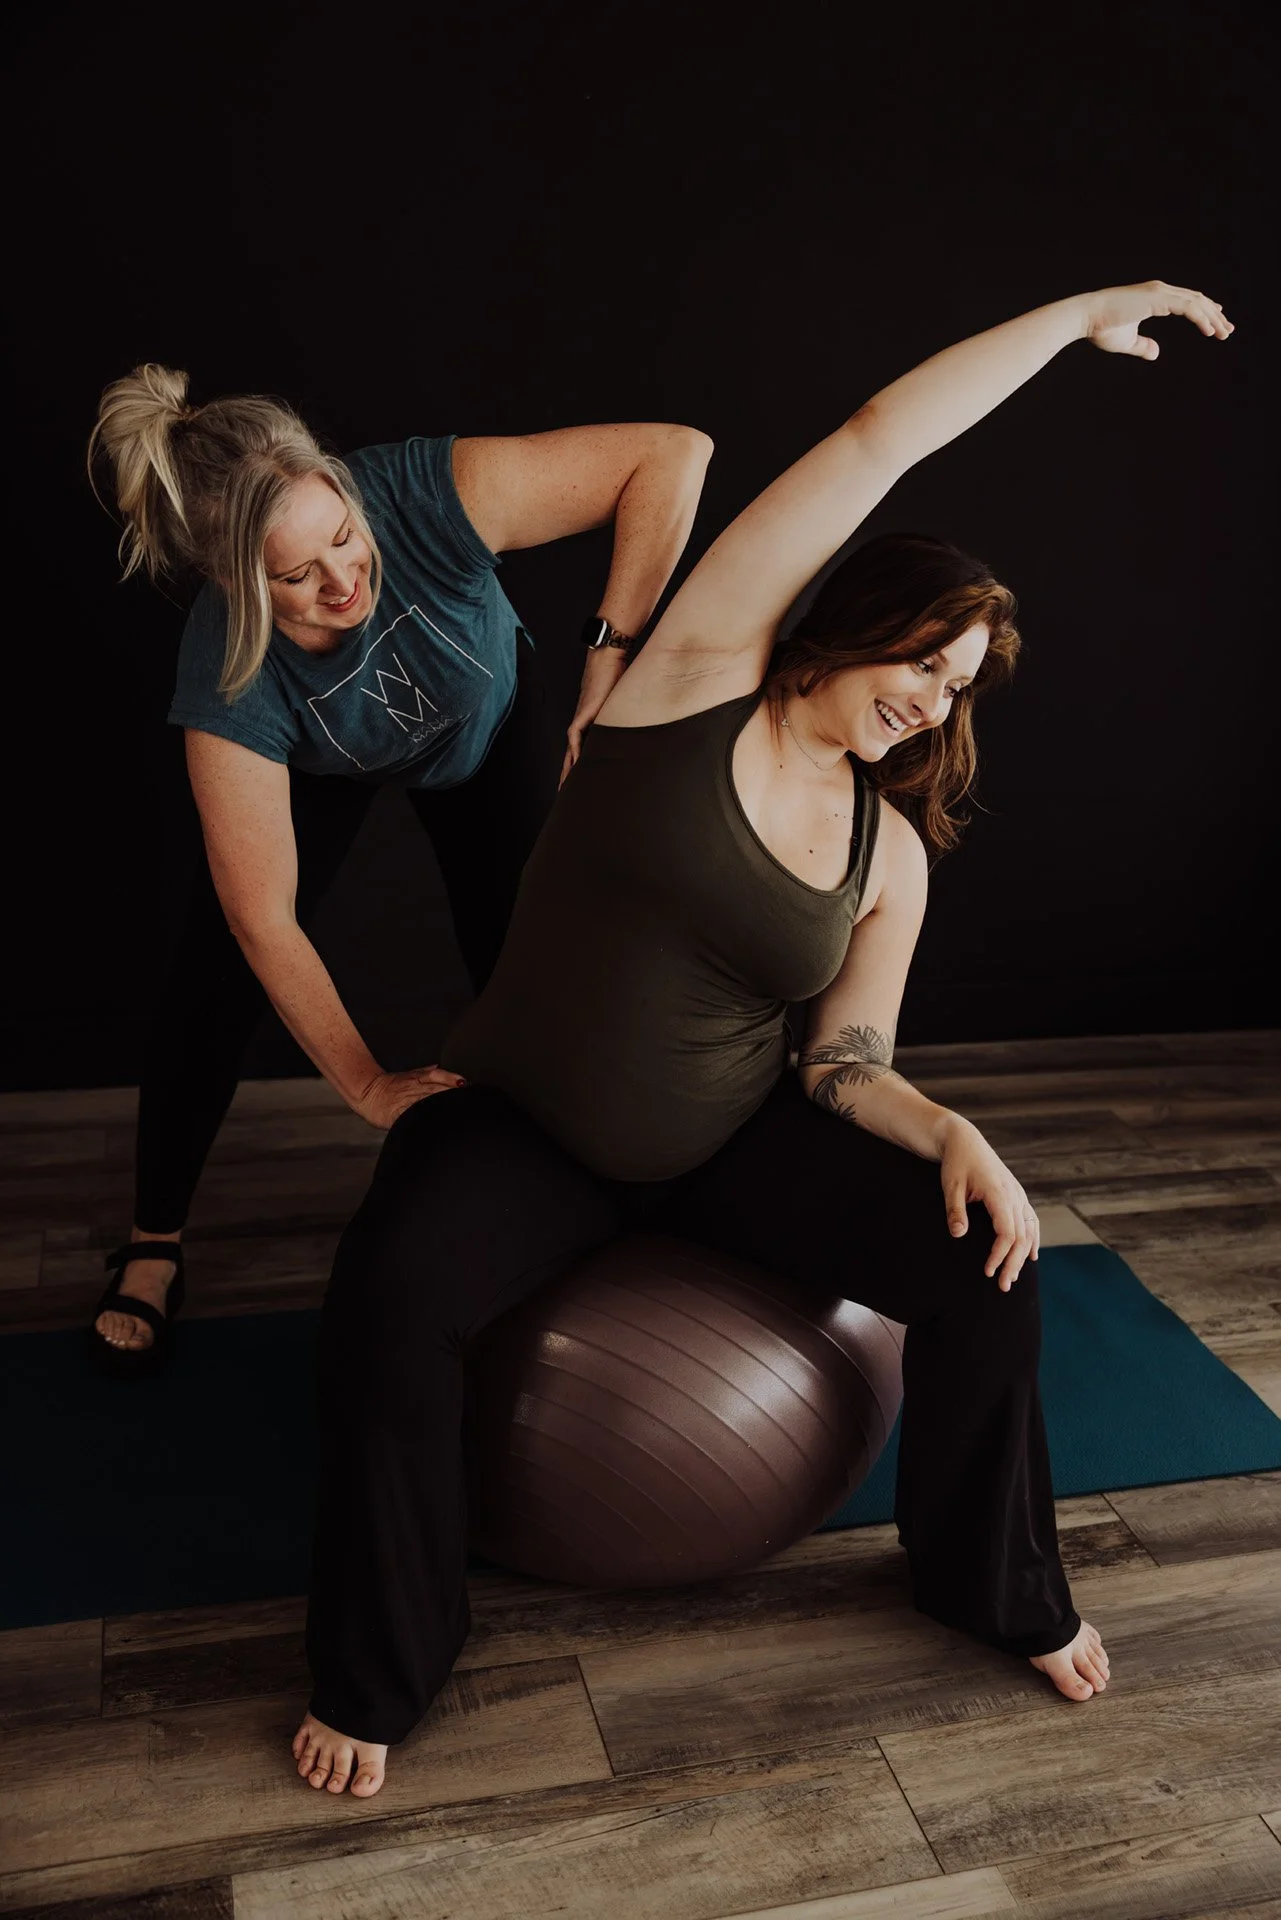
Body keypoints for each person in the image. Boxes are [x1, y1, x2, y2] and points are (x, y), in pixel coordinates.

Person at [289, 280, 1232, 1796]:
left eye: (957, 690)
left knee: (994, 1264)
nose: (928, 704)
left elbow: (841, 1060)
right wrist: (1068, 326)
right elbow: (875, 441)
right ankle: (384, 1664)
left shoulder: (888, 854)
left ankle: (990, 1584)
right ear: (859, 624)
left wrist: (950, 1134)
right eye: (923, 659)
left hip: (731, 1141)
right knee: (388, 1311)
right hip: (523, 1114)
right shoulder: (697, 674)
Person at [85, 375, 713, 1369]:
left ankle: (594, 1206)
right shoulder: (228, 676)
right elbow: (266, 922)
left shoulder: (421, 495)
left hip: (483, 720)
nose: (343, 580)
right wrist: (369, 1087)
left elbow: (672, 452)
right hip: (327, 759)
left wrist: (609, 660)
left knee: (527, 961)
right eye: (296, 575)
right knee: (215, 977)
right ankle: (154, 1243)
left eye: (342, 536)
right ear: (237, 585)